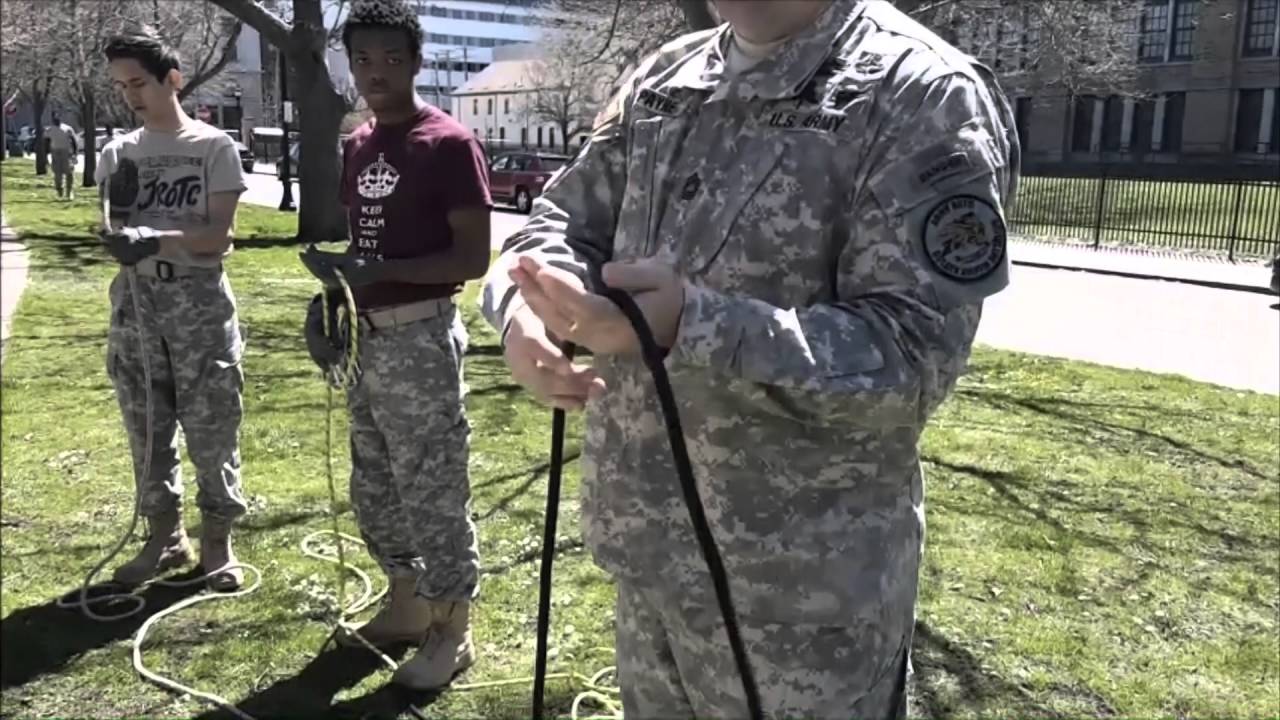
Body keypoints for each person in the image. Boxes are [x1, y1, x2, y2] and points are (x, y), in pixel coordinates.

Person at [480, 0, 1020, 716]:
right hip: (648, 559)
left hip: (801, 605)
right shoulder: (667, 76)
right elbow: (558, 222)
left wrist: (693, 324)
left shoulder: (922, 92)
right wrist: (526, 309)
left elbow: (910, 360)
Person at [298, 0, 492, 691]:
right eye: (362, 59)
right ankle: (406, 604)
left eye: (390, 58)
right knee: (375, 485)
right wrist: (335, 299)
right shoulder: (358, 144)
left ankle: (452, 630)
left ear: (416, 62)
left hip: (420, 339)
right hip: (368, 342)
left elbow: (472, 258)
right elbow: (367, 246)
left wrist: (380, 270)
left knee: (433, 488)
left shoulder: (448, 144)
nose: (375, 72)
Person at [95, 27, 249, 592]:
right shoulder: (118, 152)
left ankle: (217, 539)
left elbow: (217, 236)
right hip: (137, 303)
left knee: (211, 424)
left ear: (173, 79)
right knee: (146, 425)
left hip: (196, 302)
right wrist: (118, 231)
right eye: (121, 86)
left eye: (138, 83)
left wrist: (154, 238)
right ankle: (163, 536)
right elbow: (110, 228)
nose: (130, 95)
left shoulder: (213, 147)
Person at [45, 113, 77, 200]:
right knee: (57, 173)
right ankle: (59, 190)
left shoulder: (67, 129)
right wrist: (45, 155)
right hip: (55, 152)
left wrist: (75, 153)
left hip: (66, 152)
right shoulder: (49, 130)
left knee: (69, 172)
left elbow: (73, 141)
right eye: (54, 118)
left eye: (57, 118)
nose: (56, 120)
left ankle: (69, 192)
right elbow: (46, 142)